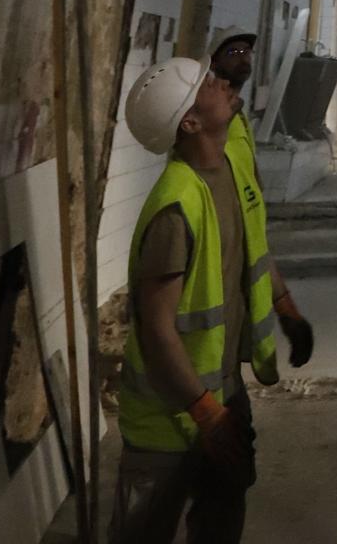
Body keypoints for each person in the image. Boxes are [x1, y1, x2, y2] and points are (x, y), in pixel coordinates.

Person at [112, 58, 275, 543]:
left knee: (221, 520)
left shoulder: (229, 170)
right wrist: (206, 413)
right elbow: (157, 329)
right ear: (190, 122)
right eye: (207, 83)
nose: (223, 82)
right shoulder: (176, 204)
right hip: (169, 418)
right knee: (143, 533)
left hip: (223, 394)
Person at [207, 27, 314, 370]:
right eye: (233, 52)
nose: (243, 58)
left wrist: (288, 314)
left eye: (247, 52)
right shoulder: (210, 124)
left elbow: (255, 242)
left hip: (233, 321)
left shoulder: (238, 123)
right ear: (213, 62)